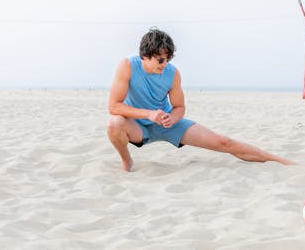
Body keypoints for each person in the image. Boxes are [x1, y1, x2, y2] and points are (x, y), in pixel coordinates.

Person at [107, 28, 294, 171]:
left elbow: (179, 107)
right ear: (145, 56)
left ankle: (281, 161)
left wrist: (172, 118)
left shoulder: (172, 73)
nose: (165, 64)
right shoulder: (127, 66)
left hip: (165, 122)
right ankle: (126, 160)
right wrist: (149, 114)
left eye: (168, 59)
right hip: (137, 126)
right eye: (161, 60)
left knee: (224, 142)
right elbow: (113, 106)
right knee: (114, 124)